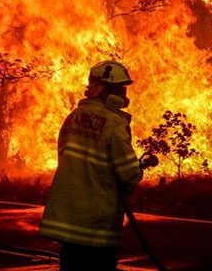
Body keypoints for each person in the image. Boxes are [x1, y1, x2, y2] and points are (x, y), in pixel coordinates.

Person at [39, 60, 143, 271]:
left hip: (69, 221)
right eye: (120, 88)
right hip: (97, 224)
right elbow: (129, 174)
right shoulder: (114, 123)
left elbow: (65, 159)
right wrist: (136, 172)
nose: (124, 94)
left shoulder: (72, 117)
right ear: (105, 90)